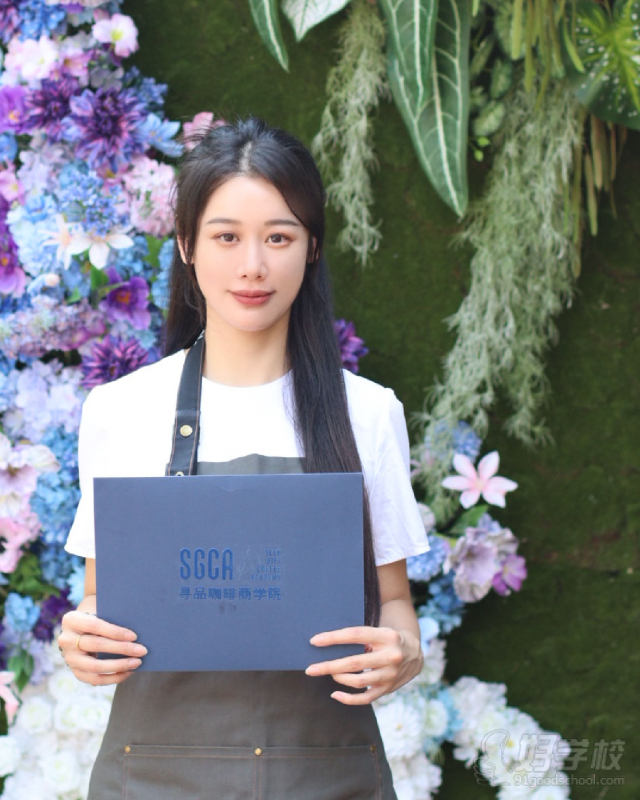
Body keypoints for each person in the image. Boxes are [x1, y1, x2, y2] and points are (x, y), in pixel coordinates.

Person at [58, 117, 430, 799]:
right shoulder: (119, 410)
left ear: (312, 248)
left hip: (325, 776)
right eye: (226, 237)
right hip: (153, 778)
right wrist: (82, 640)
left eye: (279, 237)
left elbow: (395, 603)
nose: (253, 265)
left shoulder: (369, 413)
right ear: (187, 245)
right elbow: (97, 599)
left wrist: (402, 651)